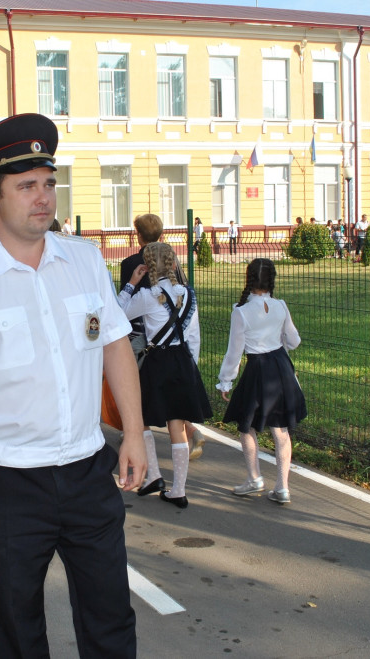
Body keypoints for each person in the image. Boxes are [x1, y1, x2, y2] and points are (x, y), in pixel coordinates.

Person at [0, 113, 147, 659]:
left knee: (111, 618)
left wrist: (134, 433)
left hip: (87, 469)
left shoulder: (85, 260)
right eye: (26, 187)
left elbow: (115, 346)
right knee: (19, 630)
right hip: (4, 482)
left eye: (48, 183)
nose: (42, 198)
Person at [117, 242, 212, 508]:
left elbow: (116, 313)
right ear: (173, 264)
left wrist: (130, 285)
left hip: (157, 361)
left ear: (147, 267)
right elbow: (193, 335)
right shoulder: (188, 294)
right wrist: (191, 364)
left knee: (143, 418)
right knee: (177, 425)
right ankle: (178, 490)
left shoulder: (147, 295)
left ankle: (155, 476)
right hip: (182, 359)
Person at [217, 258, 306, 505]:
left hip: (257, 369)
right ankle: (282, 487)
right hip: (281, 368)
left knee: (247, 425)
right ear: (271, 280)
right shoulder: (281, 306)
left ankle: (255, 478)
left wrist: (226, 380)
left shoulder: (241, 311)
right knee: (281, 429)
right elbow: (294, 340)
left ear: (249, 280)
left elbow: (234, 351)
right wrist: (280, 340)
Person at [119, 214, 203, 460]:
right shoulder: (182, 284)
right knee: (175, 413)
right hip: (179, 347)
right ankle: (180, 480)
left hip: (144, 338)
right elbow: (193, 329)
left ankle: (148, 463)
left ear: (139, 235)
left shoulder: (131, 264)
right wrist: (192, 360)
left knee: (141, 399)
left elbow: (122, 310)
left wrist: (132, 284)